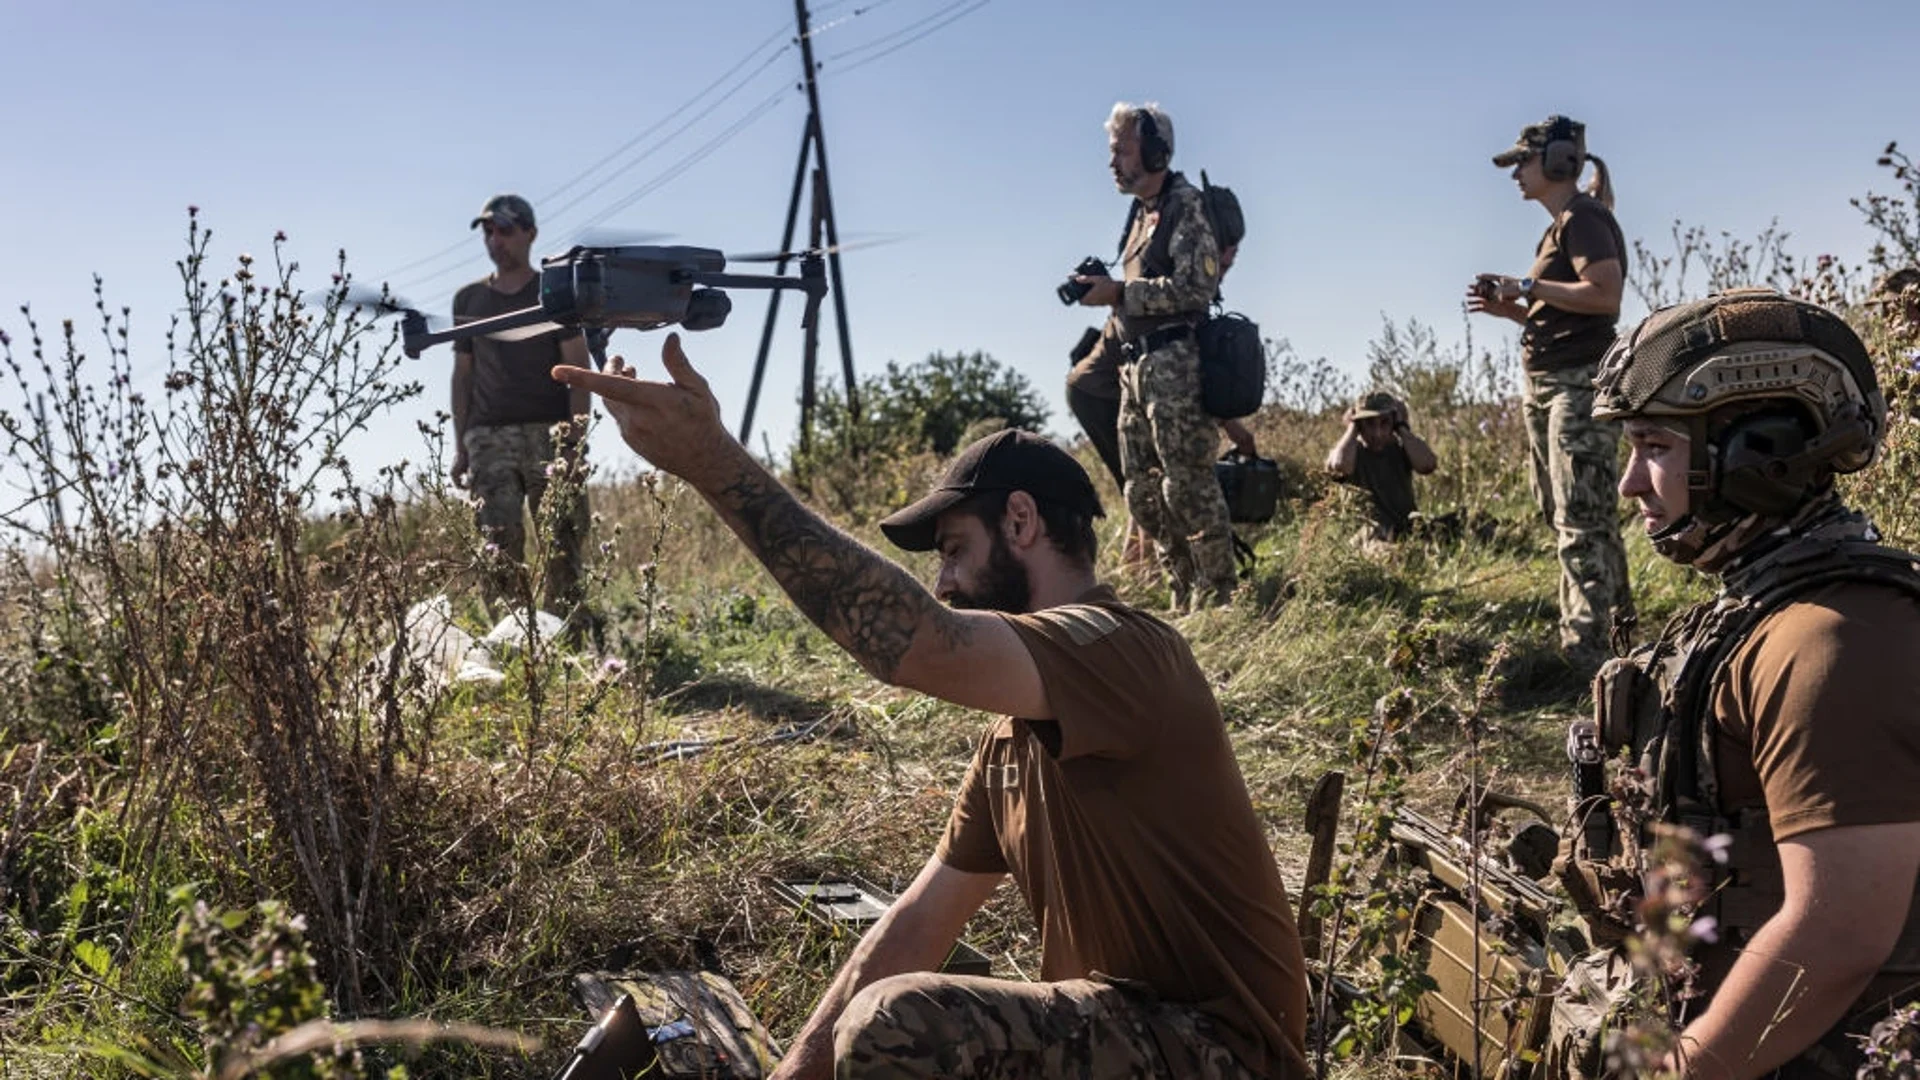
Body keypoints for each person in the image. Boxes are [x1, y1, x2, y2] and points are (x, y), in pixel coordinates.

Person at [553, 337, 1310, 1080]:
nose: (943, 582)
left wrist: (711, 461)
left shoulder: (1127, 651)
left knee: (900, 1026)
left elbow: (920, 645)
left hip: (1224, 1054)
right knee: (886, 1004)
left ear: (1021, 522)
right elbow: (915, 927)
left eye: (953, 550)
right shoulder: (1013, 743)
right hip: (1131, 1039)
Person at [1548, 289, 1920, 1079]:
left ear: (1760, 449)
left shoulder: (1832, 643)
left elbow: (1840, 934)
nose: (1630, 485)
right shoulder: (1764, 614)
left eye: (1653, 446)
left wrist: (1681, 1069)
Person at [1467, 115, 1632, 669]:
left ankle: (1584, 652)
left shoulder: (1583, 217)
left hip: (1577, 386)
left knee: (1580, 516)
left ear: (1558, 160)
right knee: (1574, 512)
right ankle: (1620, 635)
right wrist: (1512, 308)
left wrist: (1528, 285)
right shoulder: (1562, 223)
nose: (1515, 173)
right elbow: (1566, 316)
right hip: (1549, 382)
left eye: (1522, 161)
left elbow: (1604, 296)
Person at [1070, 102, 1237, 610]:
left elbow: (1196, 287)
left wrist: (1121, 293)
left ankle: (1219, 597)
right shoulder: (1139, 215)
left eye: (1122, 148)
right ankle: (1181, 593)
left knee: (1187, 485)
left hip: (1175, 365)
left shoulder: (1186, 205)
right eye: (1112, 150)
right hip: (1134, 368)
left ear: (1156, 151)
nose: (1113, 161)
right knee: (1142, 492)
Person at [451, 193, 594, 617]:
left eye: (506, 230)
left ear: (530, 233)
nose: (496, 240)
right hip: (488, 439)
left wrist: (575, 442)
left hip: (550, 433)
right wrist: (461, 446)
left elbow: (578, 368)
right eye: (489, 232)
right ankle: (511, 644)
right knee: (497, 545)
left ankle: (566, 636)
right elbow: (463, 375)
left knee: (562, 542)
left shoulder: (553, 292)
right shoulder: (469, 300)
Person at [1323, 390, 1438, 541]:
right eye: (1369, 424)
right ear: (1359, 425)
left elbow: (1428, 465)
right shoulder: (1351, 452)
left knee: (1466, 521)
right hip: (1369, 535)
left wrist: (1402, 427)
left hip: (1406, 529)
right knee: (1382, 544)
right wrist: (1352, 429)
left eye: (1384, 423)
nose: (1377, 433)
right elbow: (1338, 466)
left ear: (1393, 422)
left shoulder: (1401, 447)